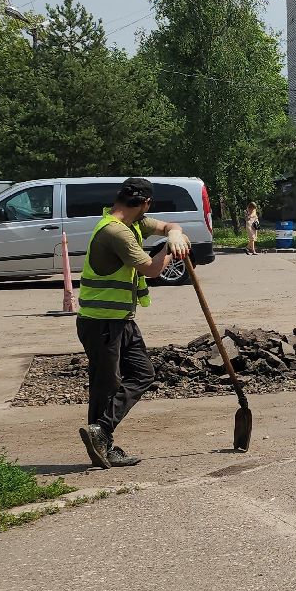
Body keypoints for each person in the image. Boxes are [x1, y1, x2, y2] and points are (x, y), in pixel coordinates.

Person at [76, 178, 192, 469]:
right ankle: (103, 439)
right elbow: (152, 269)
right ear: (145, 203)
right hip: (101, 322)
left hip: (121, 319)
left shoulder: (132, 222)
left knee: (142, 374)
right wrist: (169, 248)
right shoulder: (116, 232)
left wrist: (175, 232)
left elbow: (165, 226)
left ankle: (101, 433)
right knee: (105, 385)